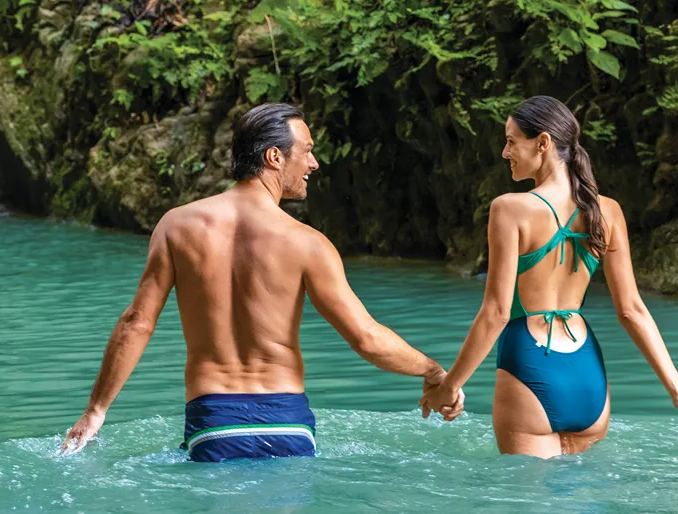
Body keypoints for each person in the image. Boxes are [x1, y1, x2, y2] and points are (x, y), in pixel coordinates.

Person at [59, 103, 459, 462]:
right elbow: (367, 338)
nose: (314, 163)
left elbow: (137, 324)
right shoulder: (307, 243)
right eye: (306, 151)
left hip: (214, 422)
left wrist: (96, 410)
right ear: (274, 156)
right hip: (288, 424)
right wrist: (433, 371)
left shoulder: (177, 226)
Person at [423, 95, 678, 456]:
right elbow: (632, 311)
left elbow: (497, 313)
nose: (505, 152)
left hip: (530, 364)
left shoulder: (510, 209)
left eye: (512, 141)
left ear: (543, 142)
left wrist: (450, 386)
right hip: (587, 376)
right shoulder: (607, 211)